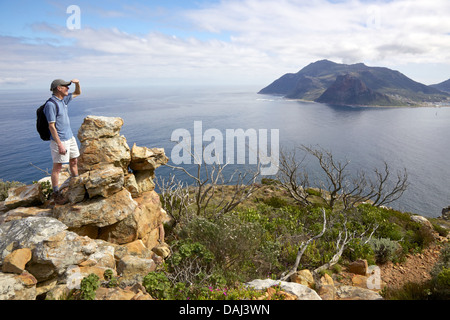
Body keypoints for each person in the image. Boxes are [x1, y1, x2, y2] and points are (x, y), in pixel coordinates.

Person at [44, 78, 81, 204]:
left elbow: (78, 93)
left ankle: (76, 185)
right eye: (66, 86)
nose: (68, 88)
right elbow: (51, 126)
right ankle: (56, 194)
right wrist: (59, 144)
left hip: (70, 137)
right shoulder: (51, 104)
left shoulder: (63, 100)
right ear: (59, 88)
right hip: (59, 140)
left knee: (74, 161)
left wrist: (77, 84)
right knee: (58, 167)